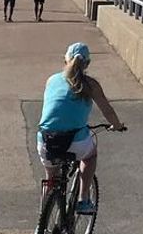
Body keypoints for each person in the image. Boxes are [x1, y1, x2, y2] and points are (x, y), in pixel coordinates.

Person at [36, 43, 126, 221]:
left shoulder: (52, 80)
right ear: (87, 64)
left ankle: (41, 223)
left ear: (65, 59)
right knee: (90, 156)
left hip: (46, 139)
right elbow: (107, 111)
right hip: (75, 140)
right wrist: (117, 125)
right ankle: (83, 199)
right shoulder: (90, 85)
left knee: (51, 178)